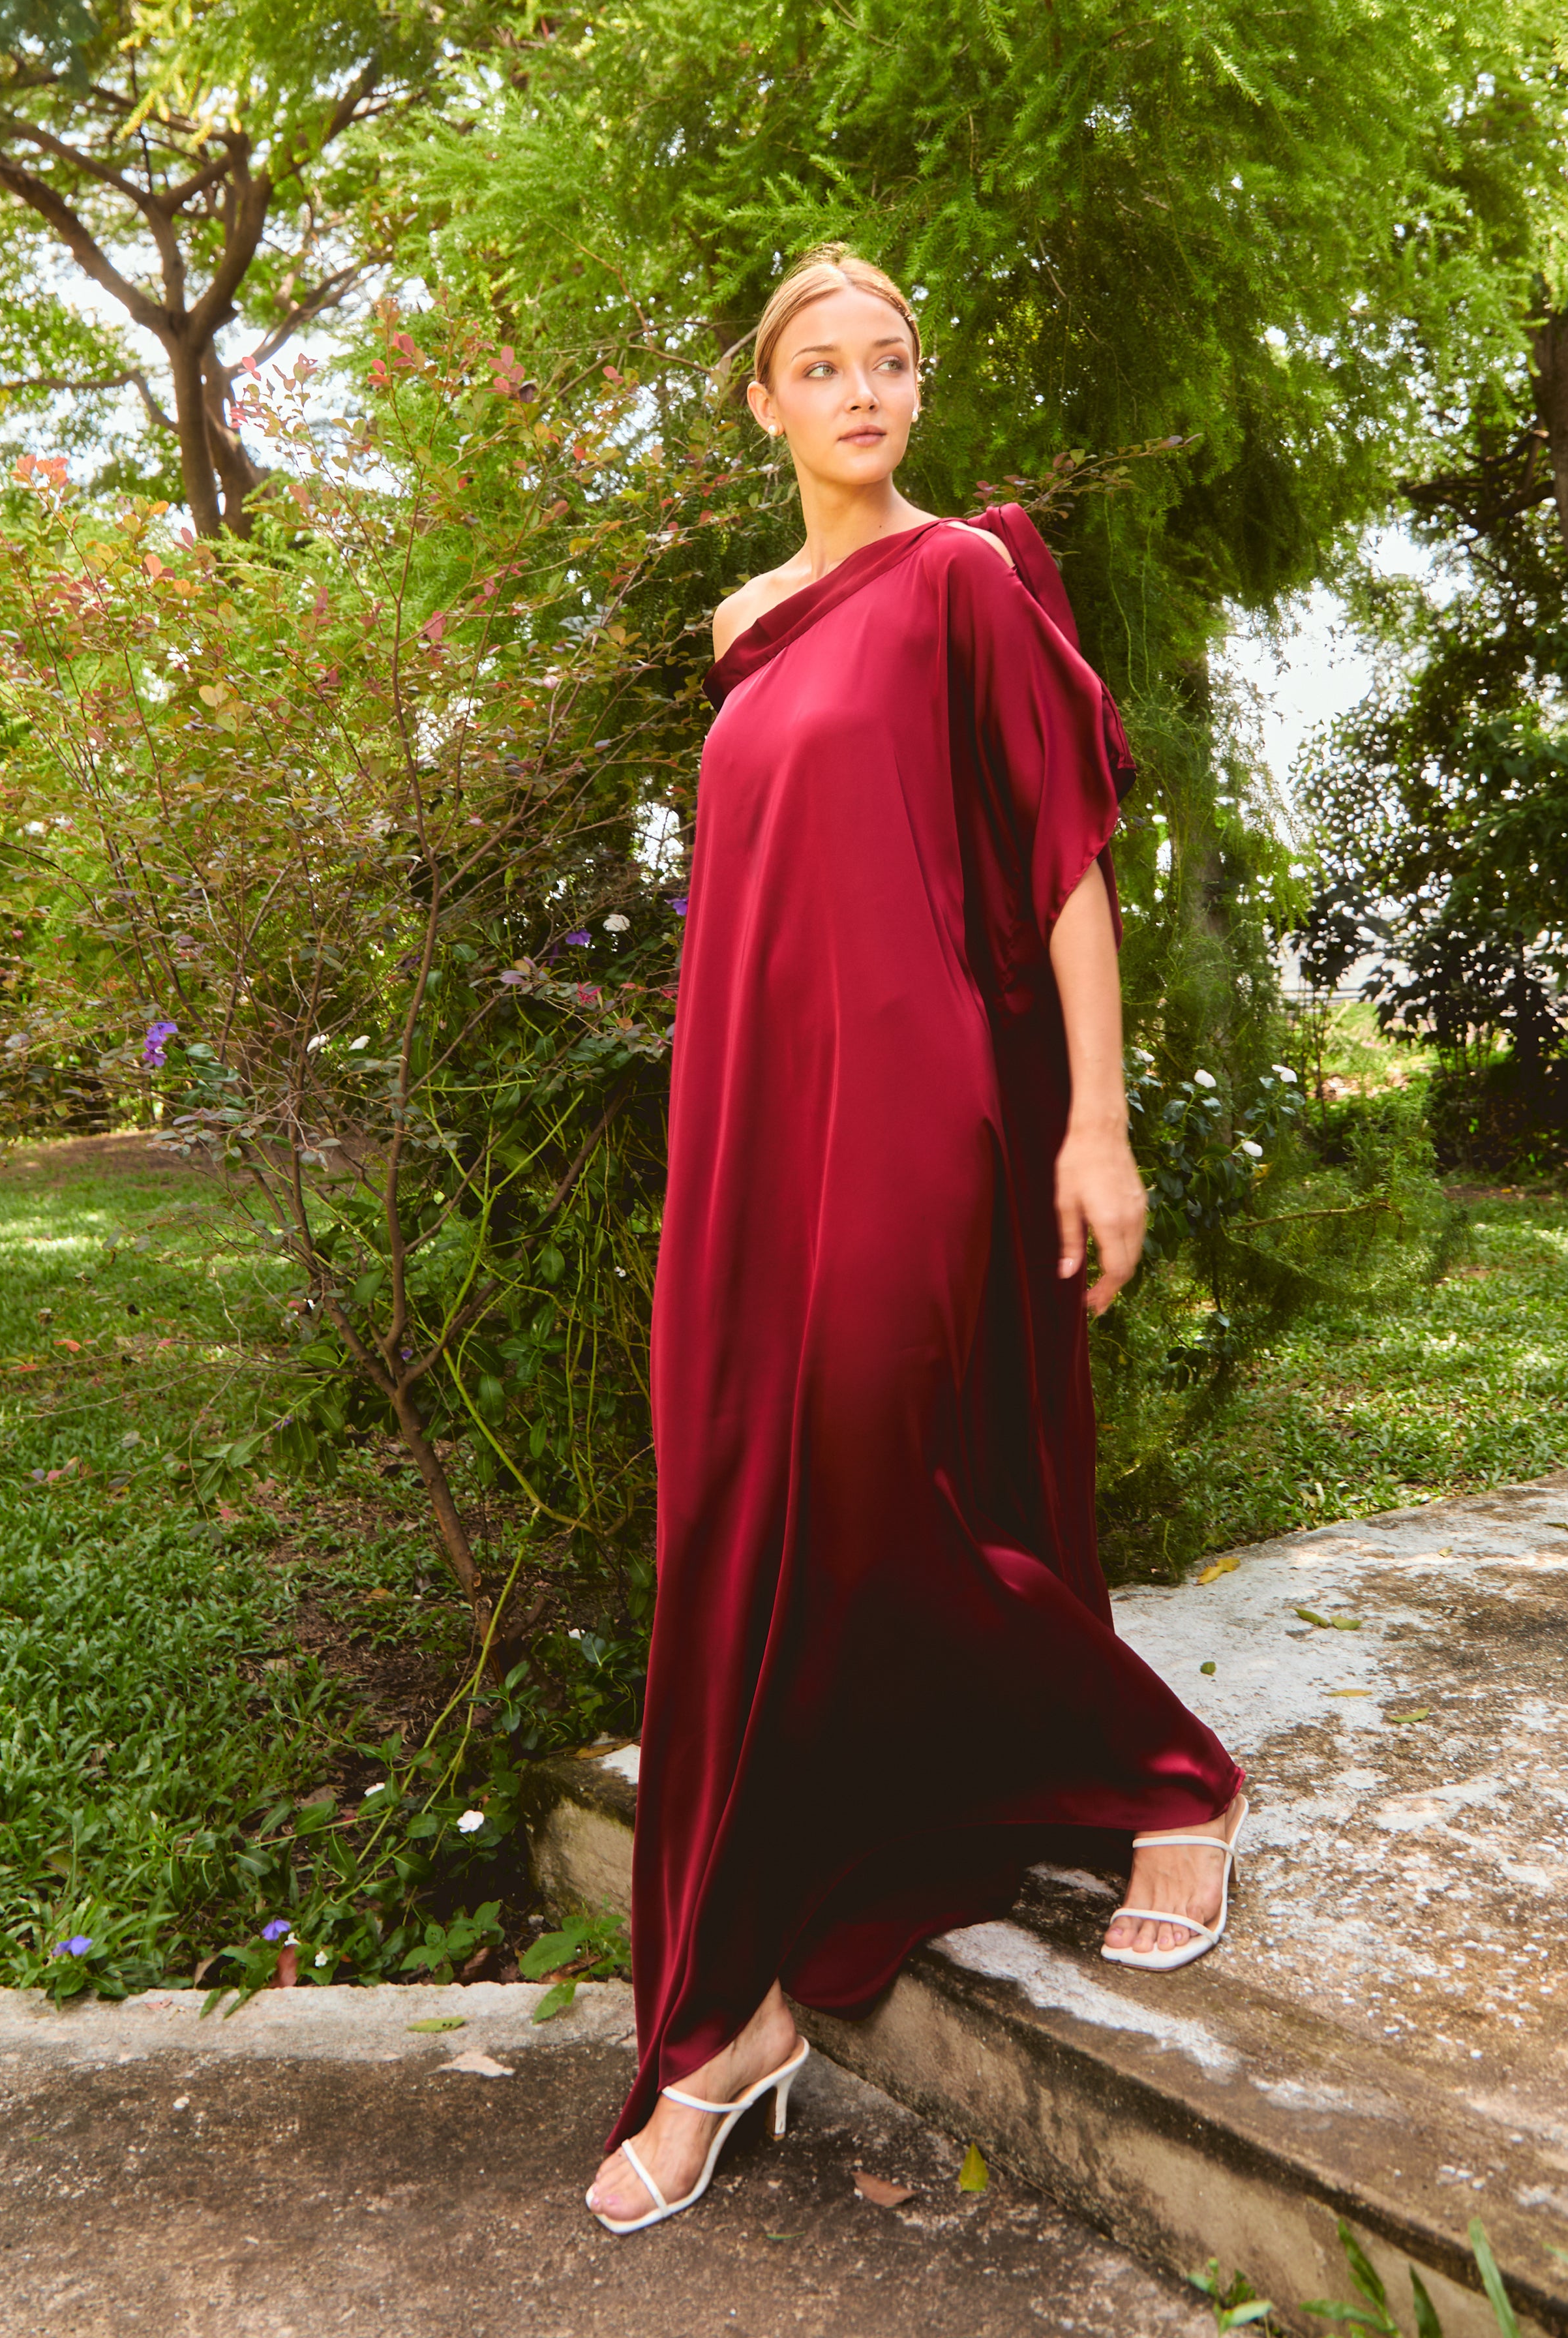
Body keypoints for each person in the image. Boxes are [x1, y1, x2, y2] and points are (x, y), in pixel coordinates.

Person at [586, 247, 1246, 2236]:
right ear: (763, 407)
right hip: (751, 1126)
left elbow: (1061, 864)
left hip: (923, 1109)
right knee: (744, 1510)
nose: (864, 390)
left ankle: (1168, 1774)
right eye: (822, 364)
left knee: (876, 1473)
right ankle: (744, 2013)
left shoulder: (962, 576)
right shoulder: (743, 625)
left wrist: (1097, 1125)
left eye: (889, 361)